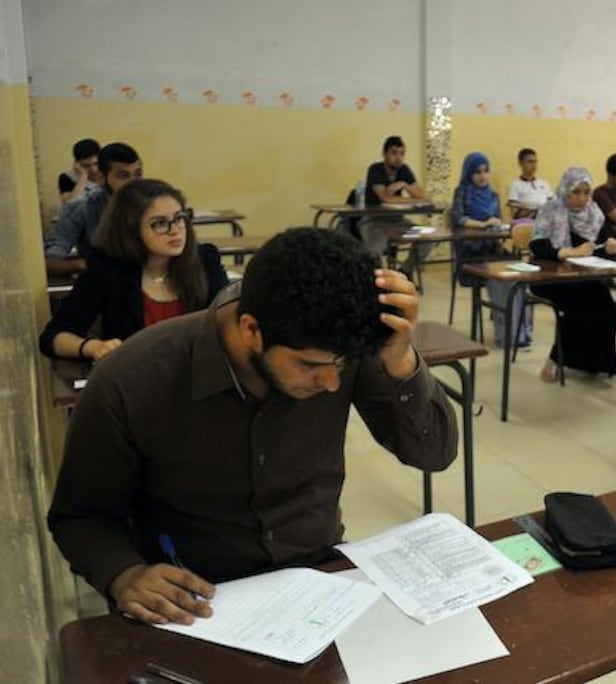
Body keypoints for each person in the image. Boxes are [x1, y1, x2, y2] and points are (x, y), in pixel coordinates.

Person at [47, 227, 457, 626]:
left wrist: (401, 362)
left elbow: (433, 453)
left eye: (343, 367)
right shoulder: (133, 378)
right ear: (252, 331)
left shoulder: (336, 346)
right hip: (197, 598)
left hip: (321, 578)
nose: (332, 384)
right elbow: (80, 515)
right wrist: (124, 574)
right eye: (310, 366)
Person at [39, 179, 228, 361]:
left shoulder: (204, 261)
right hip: (137, 382)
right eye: (160, 223)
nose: (175, 230)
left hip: (199, 375)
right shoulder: (108, 269)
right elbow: (53, 337)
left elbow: (230, 320)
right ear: (131, 229)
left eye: (179, 218)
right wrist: (94, 347)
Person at [529, 167, 616, 382]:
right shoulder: (550, 209)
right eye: (576, 192)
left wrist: (612, 246)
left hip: (582, 277)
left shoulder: (594, 214)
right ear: (565, 190)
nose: (582, 198)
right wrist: (568, 252)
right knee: (577, 306)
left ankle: (592, 363)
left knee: (606, 304)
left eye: (587, 192)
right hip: (548, 278)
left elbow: (604, 242)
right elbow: (538, 246)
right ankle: (554, 359)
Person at [451, 151, 532, 348]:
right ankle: (506, 336)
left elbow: (496, 222)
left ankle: (522, 333)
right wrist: (483, 224)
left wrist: (496, 225)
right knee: (499, 280)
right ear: (468, 173)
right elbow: (458, 219)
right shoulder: (462, 192)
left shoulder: (493, 195)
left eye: (486, 171)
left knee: (518, 277)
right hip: (471, 256)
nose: (482, 176)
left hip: (493, 250)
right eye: (477, 172)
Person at [45, 142, 143, 275]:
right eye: (123, 176)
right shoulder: (81, 208)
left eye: (138, 174)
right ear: (102, 177)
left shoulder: (153, 205)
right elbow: (50, 263)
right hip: (104, 282)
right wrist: (88, 264)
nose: (134, 182)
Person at [360, 136, 429, 258]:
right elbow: (385, 198)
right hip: (374, 222)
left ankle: (405, 271)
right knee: (376, 247)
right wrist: (412, 200)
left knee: (427, 238)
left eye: (402, 154)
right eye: (394, 153)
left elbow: (423, 197)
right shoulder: (375, 169)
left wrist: (405, 185)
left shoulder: (404, 170)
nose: (398, 158)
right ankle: (376, 276)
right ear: (384, 154)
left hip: (398, 222)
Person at [506, 148, 552, 219]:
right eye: (530, 162)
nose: (534, 165)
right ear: (521, 163)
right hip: (527, 222)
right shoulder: (515, 185)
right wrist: (535, 212)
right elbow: (514, 213)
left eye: (535, 162)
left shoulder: (544, 184)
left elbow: (552, 205)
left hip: (546, 220)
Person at [58, 138, 103, 205]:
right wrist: (83, 176)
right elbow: (71, 205)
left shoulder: (109, 173)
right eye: (86, 166)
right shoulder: (67, 177)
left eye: (96, 163)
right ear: (77, 163)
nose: (93, 170)